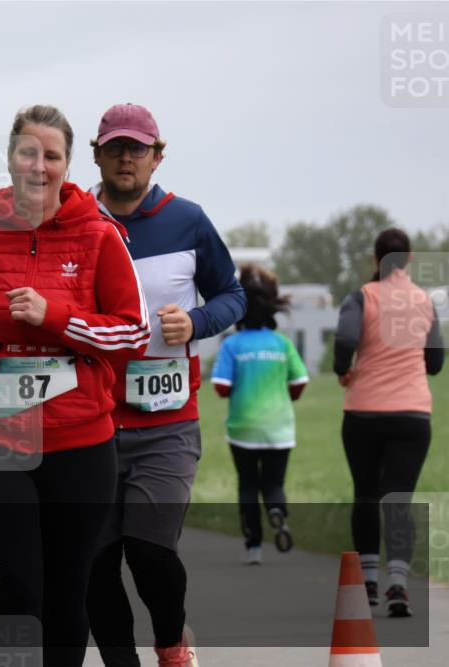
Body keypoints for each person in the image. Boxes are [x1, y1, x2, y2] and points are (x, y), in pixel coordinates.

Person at [0, 104, 150, 666]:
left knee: (67, 592)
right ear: (10, 159)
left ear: (67, 165)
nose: (39, 165)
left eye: (51, 155)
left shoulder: (100, 235)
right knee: (18, 591)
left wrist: (55, 317)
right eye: (28, 152)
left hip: (80, 441)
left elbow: (134, 333)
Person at [85, 102, 245, 667]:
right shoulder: (74, 221)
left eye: (137, 148)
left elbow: (232, 295)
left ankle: (173, 646)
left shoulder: (189, 220)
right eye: (115, 148)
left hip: (166, 421)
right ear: (97, 155)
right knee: (95, 563)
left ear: (158, 155)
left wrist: (196, 322)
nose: (126, 158)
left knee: (150, 552)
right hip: (91, 422)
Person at [334, 228, 443, 617]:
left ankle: (368, 583)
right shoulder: (425, 301)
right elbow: (435, 363)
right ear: (409, 258)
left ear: (375, 258)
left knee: (365, 494)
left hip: (363, 412)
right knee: (399, 499)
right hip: (412, 414)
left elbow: (345, 340)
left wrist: (343, 370)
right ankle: (398, 584)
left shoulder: (361, 297)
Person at [211, 265, 308, 565]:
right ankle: (277, 511)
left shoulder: (232, 344)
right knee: (274, 483)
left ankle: (253, 546)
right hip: (279, 427)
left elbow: (221, 386)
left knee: (248, 484)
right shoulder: (282, 343)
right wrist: (287, 396)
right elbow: (299, 381)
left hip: (243, 427)